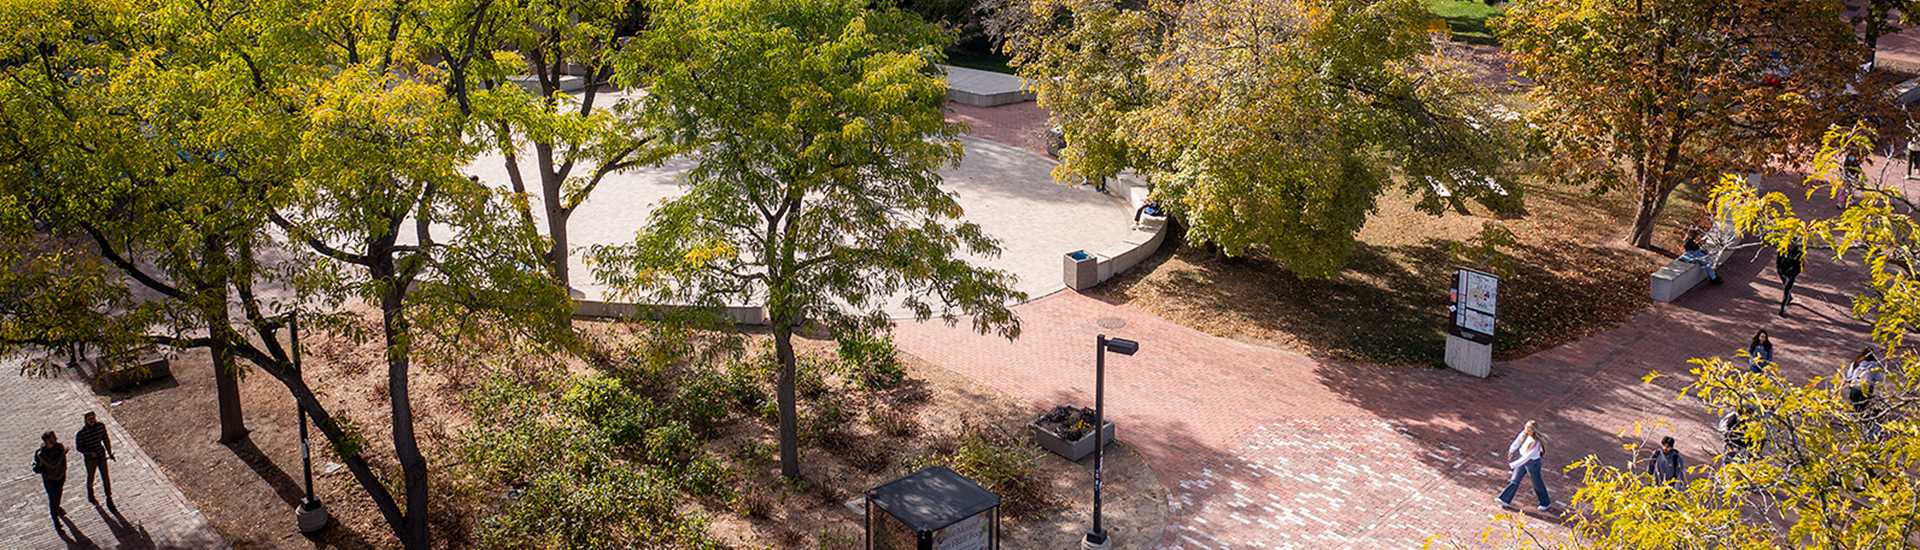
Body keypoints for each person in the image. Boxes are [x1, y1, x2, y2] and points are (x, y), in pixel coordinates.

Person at [1496, 420, 1553, 512]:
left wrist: (1513, 464)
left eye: (1529, 428)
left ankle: (1545, 503)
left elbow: (1527, 457)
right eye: (1526, 427)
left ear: (1534, 430)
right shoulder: (1524, 434)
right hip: (1522, 460)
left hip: (1532, 463)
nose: (1526, 429)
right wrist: (1511, 450)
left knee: (1537, 483)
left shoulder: (1536, 442)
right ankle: (1504, 499)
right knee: (1514, 480)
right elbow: (1518, 441)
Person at [75, 411, 114, 506]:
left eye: (93, 418)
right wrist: (89, 453)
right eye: (89, 419)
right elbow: (79, 447)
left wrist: (109, 452)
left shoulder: (101, 426)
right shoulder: (81, 434)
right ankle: (90, 494)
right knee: (91, 476)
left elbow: (105, 439)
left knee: (105, 477)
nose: (92, 421)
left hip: (101, 455)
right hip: (90, 459)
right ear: (85, 421)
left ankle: (109, 497)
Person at [32, 431, 68, 526]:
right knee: (52, 499)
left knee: (59, 494)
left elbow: (63, 462)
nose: (56, 438)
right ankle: (56, 520)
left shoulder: (59, 447)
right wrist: (63, 454)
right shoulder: (41, 453)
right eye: (53, 437)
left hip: (60, 477)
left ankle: (57, 507)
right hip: (50, 480)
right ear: (47, 440)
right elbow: (52, 464)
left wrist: (63, 471)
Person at [1845, 349, 1884, 415]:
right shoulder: (1874, 366)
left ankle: (1855, 417)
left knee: (1855, 406)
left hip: (1854, 388)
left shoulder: (1856, 363)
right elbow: (1880, 379)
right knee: (1862, 407)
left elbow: (1849, 376)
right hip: (1867, 390)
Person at [1777, 240, 1803, 316]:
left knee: (1786, 290)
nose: (1789, 246)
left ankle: (1782, 310)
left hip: (1791, 274)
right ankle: (1790, 297)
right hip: (1782, 272)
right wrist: (1780, 271)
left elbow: (1800, 267)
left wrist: (1793, 274)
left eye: (1791, 245)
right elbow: (1778, 262)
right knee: (1786, 286)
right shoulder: (1782, 250)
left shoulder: (1799, 253)